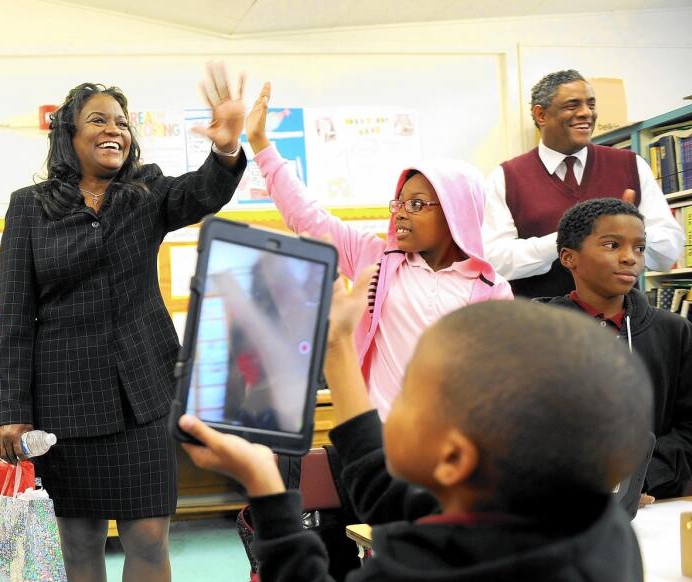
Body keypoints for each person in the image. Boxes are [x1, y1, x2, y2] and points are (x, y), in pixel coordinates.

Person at [182, 284, 661, 582]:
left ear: (453, 458)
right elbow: (382, 489)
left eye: (408, 392)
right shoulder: (592, 530)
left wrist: (267, 491)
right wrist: (339, 351)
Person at [0, 62, 247, 582]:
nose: (116, 128)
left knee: (150, 539)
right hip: (62, 399)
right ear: (68, 135)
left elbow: (203, 192)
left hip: (141, 391)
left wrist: (225, 149)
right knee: (79, 544)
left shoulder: (145, 193)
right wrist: (10, 410)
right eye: (99, 118)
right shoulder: (30, 206)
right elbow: (14, 314)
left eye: (123, 119)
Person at [246, 82, 511, 418]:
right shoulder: (374, 258)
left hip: (443, 446)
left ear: (455, 213)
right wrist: (259, 143)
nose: (400, 212)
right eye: (399, 203)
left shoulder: (491, 289)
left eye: (416, 204)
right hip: (376, 438)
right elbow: (307, 217)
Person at [538, 197, 692, 501]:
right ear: (569, 258)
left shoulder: (675, 331)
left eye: (639, 248)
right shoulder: (537, 331)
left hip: (656, 499)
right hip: (561, 502)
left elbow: (688, 427)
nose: (629, 258)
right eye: (612, 245)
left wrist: (638, 480)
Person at [483, 69, 685, 299]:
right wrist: (565, 239)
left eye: (591, 104)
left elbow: (669, 251)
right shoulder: (506, 177)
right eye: (572, 105)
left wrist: (622, 237)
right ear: (541, 115)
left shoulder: (631, 165)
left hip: (618, 327)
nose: (586, 113)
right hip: (539, 325)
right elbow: (493, 260)